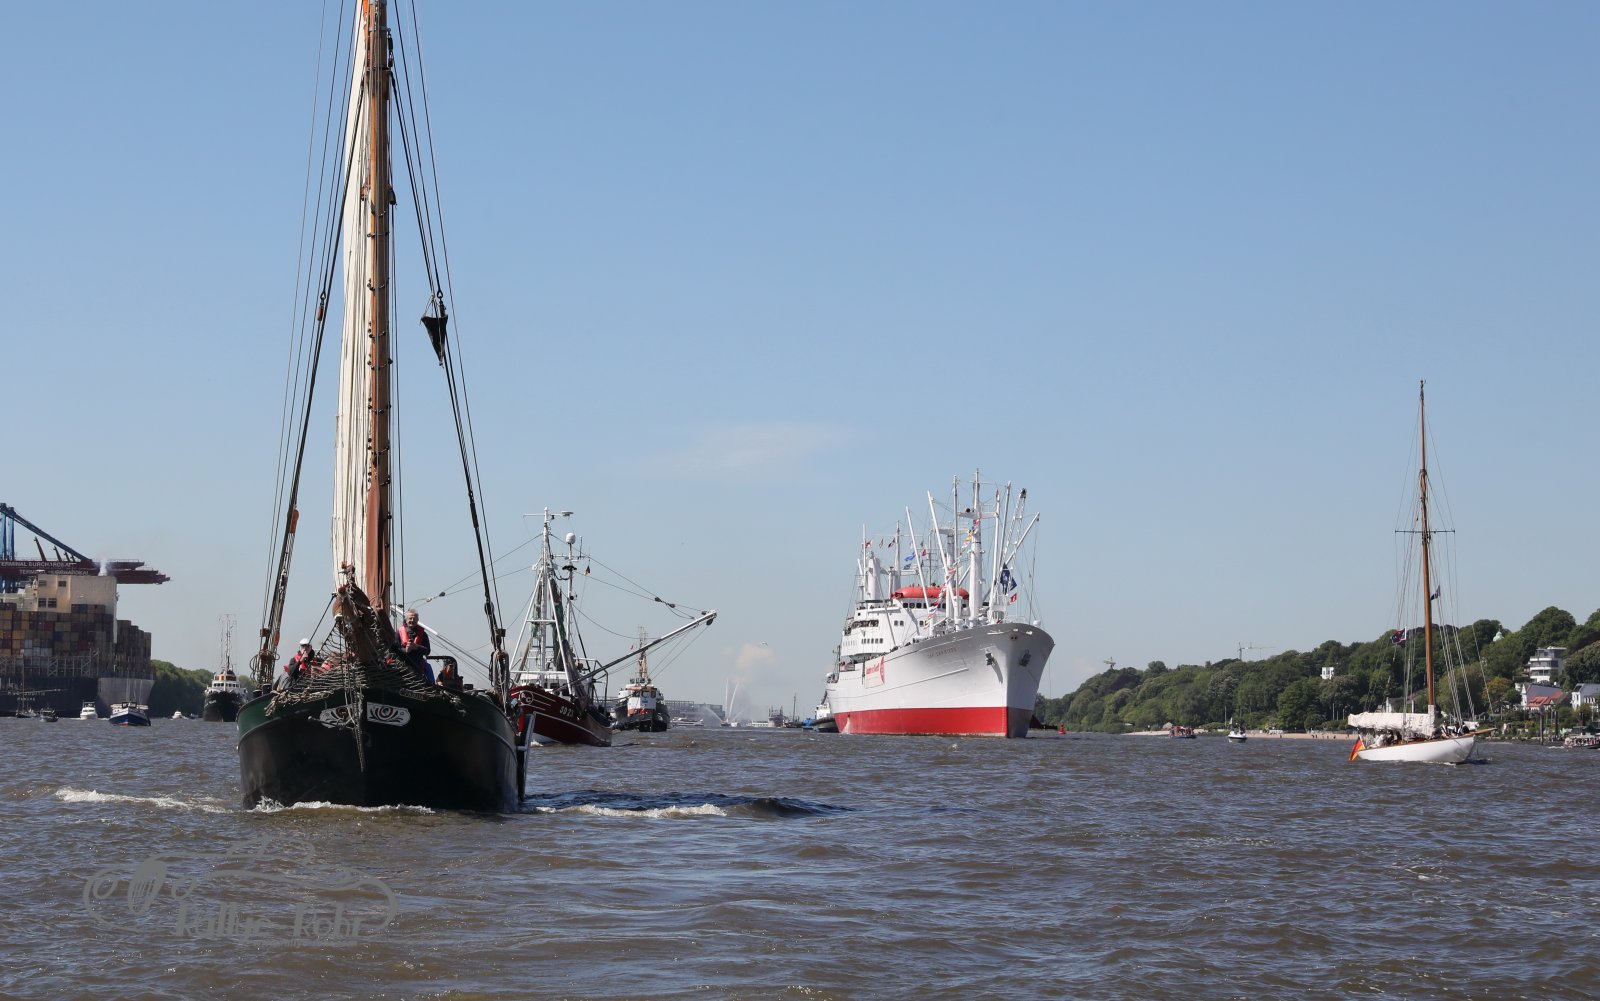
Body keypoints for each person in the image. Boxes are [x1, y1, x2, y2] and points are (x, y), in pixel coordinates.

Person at [397, 609, 434, 683]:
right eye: (410, 618)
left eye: (414, 619)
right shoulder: (399, 632)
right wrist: (406, 650)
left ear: (417, 620)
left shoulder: (423, 634)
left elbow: (427, 651)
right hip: (402, 665)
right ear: (406, 619)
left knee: (429, 676)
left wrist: (416, 647)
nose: (412, 620)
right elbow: (394, 648)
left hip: (418, 666)